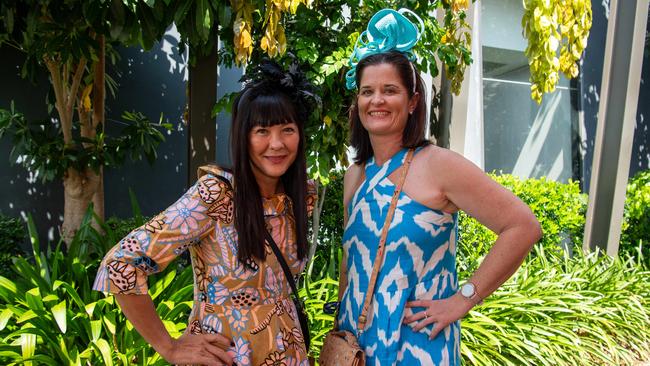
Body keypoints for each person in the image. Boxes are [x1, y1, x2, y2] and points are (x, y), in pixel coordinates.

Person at [335, 9, 542, 365]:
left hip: (419, 345)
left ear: (413, 101)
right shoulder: (356, 174)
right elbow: (349, 264)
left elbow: (522, 227)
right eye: (367, 91)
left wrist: (463, 299)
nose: (377, 101)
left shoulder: (439, 165)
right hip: (356, 345)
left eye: (390, 90)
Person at [93, 60, 318, 366]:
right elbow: (120, 265)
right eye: (262, 130)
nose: (276, 144)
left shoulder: (300, 196)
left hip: (289, 354)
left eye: (287, 130)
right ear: (243, 137)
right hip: (227, 356)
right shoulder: (216, 195)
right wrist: (169, 347)